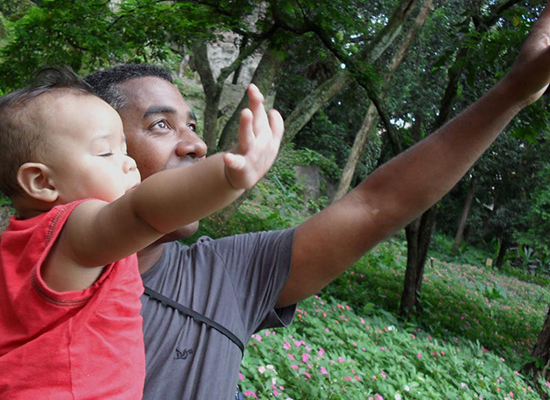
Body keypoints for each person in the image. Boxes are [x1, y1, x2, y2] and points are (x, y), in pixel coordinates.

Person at [85, 4, 550, 399]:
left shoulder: (226, 276)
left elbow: (374, 206)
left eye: (191, 125)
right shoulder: (27, 281)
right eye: (161, 125)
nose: (197, 146)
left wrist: (512, 93)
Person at [0, 67, 283, 399]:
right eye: (107, 152)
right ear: (42, 182)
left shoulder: (19, 246)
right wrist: (227, 176)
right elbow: (141, 210)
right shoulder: (73, 230)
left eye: (125, 150)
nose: (129, 163)